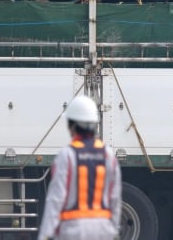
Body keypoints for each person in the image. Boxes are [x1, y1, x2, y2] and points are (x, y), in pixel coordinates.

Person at [38, 96, 122, 240]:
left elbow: (56, 198)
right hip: (103, 228)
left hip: (73, 228)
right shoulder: (107, 154)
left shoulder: (66, 155)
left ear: (72, 125)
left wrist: (45, 235)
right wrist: (113, 229)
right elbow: (115, 198)